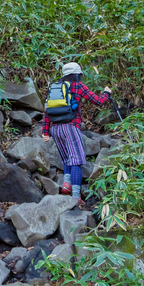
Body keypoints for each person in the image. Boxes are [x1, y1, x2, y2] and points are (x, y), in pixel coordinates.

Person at [42, 62, 112, 206]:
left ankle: (66, 184)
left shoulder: (55, 88)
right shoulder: (78, 86)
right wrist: (107, 93)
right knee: (77, 161)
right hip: (71, 127)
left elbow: (47, 111)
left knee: (67, 158)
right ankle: (75, 197)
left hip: (55, 129)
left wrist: (45, 131)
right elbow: (98, 101)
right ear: (77, 74)